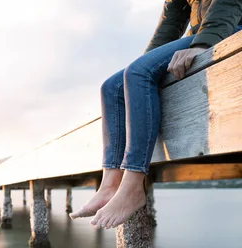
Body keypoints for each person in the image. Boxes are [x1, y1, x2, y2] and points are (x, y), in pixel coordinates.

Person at [70, 0, 242, 229]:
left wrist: (204, 43)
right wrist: (139, 70)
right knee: (112, 87)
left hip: (228, 27)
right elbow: (169, 26)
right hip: (202, 32)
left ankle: (132, 188)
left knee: (138, 73)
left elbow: (229, 3)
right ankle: (109, 185)